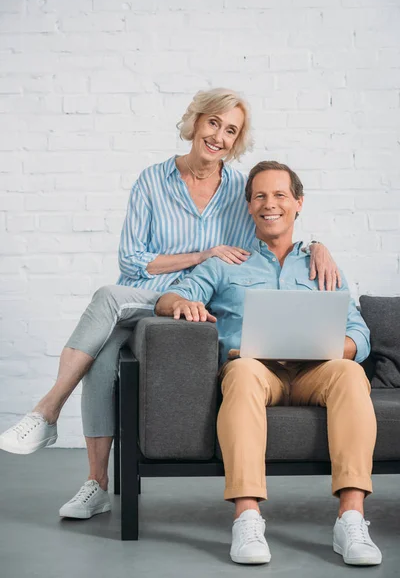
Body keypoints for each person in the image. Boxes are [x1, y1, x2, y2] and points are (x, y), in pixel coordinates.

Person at [0, 89, 339, 521]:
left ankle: (48, 411)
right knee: (104, 348)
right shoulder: (152, 181)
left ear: (236, 142)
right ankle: (95, 484)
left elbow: (272, 220)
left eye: (230, 130)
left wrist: (316, 246)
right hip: (141, 300)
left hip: (197, 300)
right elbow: (132, 260)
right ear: (195, 123)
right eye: (213, 123)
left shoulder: (239, 189)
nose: (218, 136)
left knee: (105, 319)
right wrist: (202, 254)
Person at [155, 160, 381, 567]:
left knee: (350, 373)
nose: (269, 203)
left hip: (316, 370)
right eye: (259, 195)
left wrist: (336, 348)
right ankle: (247, 517)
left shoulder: (322, 265)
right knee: (240, 372)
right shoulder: (226, 263)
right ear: (249, 206)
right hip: (255, 370)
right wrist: (183, 302)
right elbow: (168, 297)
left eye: (279, 195)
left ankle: (351, 519)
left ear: (298, 203)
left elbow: (358, 332)